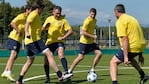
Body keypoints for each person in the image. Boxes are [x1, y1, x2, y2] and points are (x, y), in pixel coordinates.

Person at [16, 1, 72, 84]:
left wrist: (45, 28)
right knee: (49, 54)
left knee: (29, 61)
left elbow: (38, 28)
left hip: (29, 42)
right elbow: (27, 23)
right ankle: (60, 75)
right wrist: (27, 32)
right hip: (35, 40)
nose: (42, 11)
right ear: (39, 8)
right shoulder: (34, 14)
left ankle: (19, 80)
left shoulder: (35, 15)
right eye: (42, 9)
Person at [110, 4, 149, 84]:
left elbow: (124, 38)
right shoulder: (132, 19)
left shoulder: (120, 21)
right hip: (140, 46)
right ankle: (143, 75)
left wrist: (125, 57)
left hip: (132, 46)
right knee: (131, 59)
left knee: (113, 62)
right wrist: (140, 54)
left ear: (116, 12)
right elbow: (137, 34)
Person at [42, 5, 73, 83]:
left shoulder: (63, 20)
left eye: (59, 13)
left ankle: (66, 73)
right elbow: (42, 29)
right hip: (49, 42)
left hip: (59, 41)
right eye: (57, 13)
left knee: (61, 54)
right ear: (53, 12)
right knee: (46, 61)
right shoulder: (49, 19)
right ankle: (47, 77)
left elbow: (70, 31)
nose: (58, 15)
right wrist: (45, 27)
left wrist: (63, 37)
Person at [68, 8, 102, 77]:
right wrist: (92, 36)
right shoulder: (87, 21)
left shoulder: (95, 20)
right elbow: (83, 32)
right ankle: (69, 71)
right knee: (80, 57)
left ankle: (92, 69)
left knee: (99, 53)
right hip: (84, 42)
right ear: (89, 13)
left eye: (94, 14)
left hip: (91, 42)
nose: (93, 16)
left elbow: (92, 30)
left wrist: (93, 38)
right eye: (92, 14)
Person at [1, 5, 32, 82]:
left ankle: (5, 71)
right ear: (27, 10)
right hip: (14, 38)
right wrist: (18, 30)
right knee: (13, 55)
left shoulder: (29, 19)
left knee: (14, 56)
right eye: (31, 10)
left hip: (18, 40)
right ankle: (8, 72)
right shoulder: (21, 16)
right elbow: (12, 23)